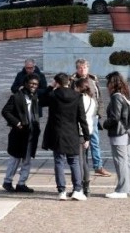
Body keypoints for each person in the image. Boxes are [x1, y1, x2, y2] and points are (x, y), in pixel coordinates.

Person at [40, 73, 90, 201]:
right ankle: (77, 190)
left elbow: (41, 100)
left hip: (57, 132)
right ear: (68, 82)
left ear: (57, 82)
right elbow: (82, 118)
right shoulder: (77, 96)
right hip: (72, 132)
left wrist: (50, 87)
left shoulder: (53, 95)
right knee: (74, 161)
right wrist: (86, 136)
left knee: (59, 161)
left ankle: (62, 191)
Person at [69, 59, 111, 177]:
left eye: (85, 67)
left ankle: (98, 166)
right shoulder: (72, 81)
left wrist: (99, 112)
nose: (83, 70)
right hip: (80, 117)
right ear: (77, 69)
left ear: (88, 68)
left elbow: (99, 97)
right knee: (82, 142)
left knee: (95, 142)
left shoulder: (93, 79)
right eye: (80, 68)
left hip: (93, 116)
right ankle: (84, 165)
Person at [1, 73, 41, 193]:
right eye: (31, 83)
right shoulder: (16, 97)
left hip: (31, 132)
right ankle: (7, 181)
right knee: (15, 158)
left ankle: (22, 183)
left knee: (27, 160)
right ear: (26, 84)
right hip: (19, 133)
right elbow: (5, 111)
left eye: (36, 84)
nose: (33, 86)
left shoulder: (34, 96)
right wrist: (17, 123)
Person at [103, 71, 130, 198]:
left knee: (120, 161)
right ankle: (129, 187)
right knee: (127, 160)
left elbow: (115, 117)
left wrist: (105, 124)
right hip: (126, 131)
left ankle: (122, 189)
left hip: (119, 132)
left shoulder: (116, 96)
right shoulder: (125, 94)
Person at [74, 77, 98, 197]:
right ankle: (86, 187)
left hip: (79, 131)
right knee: (84, 161)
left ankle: (79, 187)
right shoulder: (92, 100)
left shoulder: (79, 99)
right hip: (88, 131)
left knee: (79, 161)